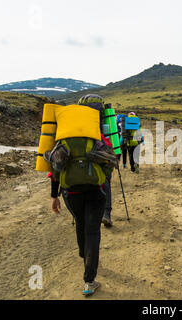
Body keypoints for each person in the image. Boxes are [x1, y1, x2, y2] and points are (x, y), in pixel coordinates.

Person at [49, 94, 115, 297]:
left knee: (80, 221)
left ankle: (82, 254)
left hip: (71, 192)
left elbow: (54, 169)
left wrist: (54, 196)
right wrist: (104, 178)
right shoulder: (98, 138)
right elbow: (110, 160)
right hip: (96, 191)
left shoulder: (63, 140)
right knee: (92, 232)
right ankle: (89, 280)